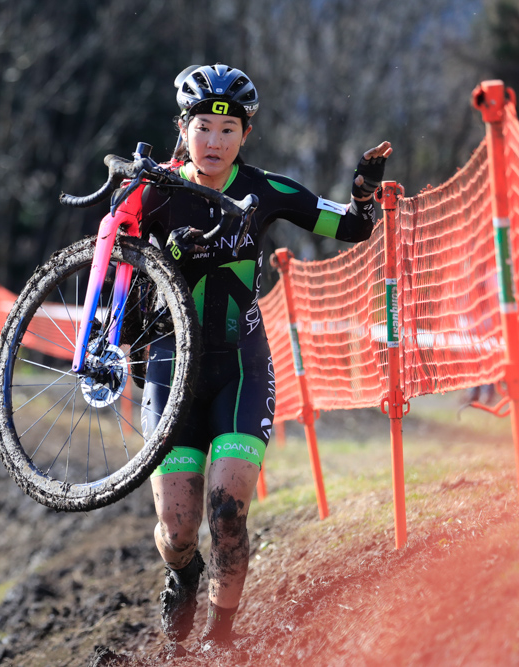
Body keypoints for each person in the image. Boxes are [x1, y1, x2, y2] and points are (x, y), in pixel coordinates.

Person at [136, 63, 392, 651]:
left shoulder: (266, 190)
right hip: (169, 369)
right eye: (203, 126)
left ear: (245, 135)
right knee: (177, 531)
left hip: (240, 369)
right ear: (183, 129)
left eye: (228, 129)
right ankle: (183, 574)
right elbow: (109, 257)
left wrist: (365, 187)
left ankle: (221, 638)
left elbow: (353, 227)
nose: (215, 141)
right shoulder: (155, 190)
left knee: (227, 515)